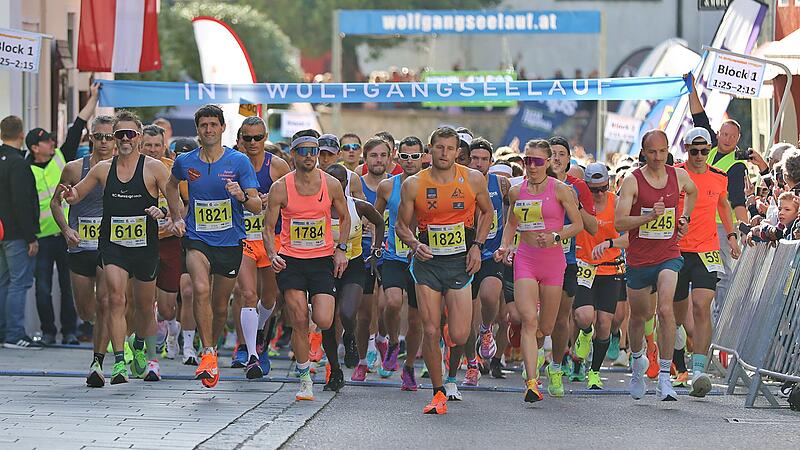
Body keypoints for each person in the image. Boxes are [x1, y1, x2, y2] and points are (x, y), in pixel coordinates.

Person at [59, 110, 185, 385]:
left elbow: (175, 203)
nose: (125, 138)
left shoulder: (153, 168)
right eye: (120, 134)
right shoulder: (103, 169)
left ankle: (143, 349)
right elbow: (77, 192)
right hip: (113, 245)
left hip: (145, 247)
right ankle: (119, 363)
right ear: (115, 138)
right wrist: (69, 194)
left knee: (143, 305)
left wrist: (169, 216)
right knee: (115, 299)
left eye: (130, 134)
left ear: (139, 137)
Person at [396, 126, 493, 415]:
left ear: (457, 152)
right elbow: (401, 225)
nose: (444, 153)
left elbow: (487, 212)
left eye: (450, 149)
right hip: (427, 261)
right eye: (439, 147)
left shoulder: (472, 179)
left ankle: (451, 374)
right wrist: (414, 244)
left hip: (460, 260)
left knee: (460, 334)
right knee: (429, 327)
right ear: (431, 148)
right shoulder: (414, 184)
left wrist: (477, 246)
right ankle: (438, 392)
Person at [167, 105, 261, 388]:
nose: (208, 129)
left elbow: (256, 205)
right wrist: (176, 216)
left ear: (222, 128)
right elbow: (171, 186)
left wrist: (241, 195)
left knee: (221, 306)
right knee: (200, 289)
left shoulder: (239, 162)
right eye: (204, 125)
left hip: (230, 241)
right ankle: (207, 352)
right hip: (197, 238)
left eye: (213, 124)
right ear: (197, 129)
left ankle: (212, 346)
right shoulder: (185, 161)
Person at [263, 129, 351, 401]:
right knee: (299, 319)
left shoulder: (331, 184)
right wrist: (272, 253)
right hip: (291, 261)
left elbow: (345, 218)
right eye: (304, 151)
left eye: (314, 151)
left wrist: (342, 249)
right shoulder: (281, 187)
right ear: (293, 154)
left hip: (321, 260)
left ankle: (313, 308)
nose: (311, 156)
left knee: (323, 319)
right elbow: (267, 227)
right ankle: (304, 378)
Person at [495, 139, 583, 403]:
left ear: (547, 163)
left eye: (536, 161)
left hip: (553, 263)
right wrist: (504, 246)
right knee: (528, 321)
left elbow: (577, 224)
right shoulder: (516, 191)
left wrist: (556, 236)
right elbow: (511, 222)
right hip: (526, 260)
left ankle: (536, 349)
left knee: (545, 326)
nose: (531, 166)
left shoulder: (561, 190)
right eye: (526, 161)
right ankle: (532, 383)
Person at [615, 129, 697, 401]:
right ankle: (638, 363)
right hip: (639, 258)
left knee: (665, 309)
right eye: (652, 152)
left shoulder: (678, 175)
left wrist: (684, 219)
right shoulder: (632, 181)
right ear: (643, 152)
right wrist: (648, 216)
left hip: (668, 254)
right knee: (639, 317)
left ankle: (664, 376)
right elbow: (619, 223)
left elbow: (693, 191)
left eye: (662, 151)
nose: (658, 157)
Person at [28, 83, 101, 345]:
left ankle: (70, 331)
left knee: (69, 286)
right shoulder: (26, 170)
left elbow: (78, 125)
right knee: (43, 287)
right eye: (46, 140)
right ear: (36, 147)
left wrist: (93, 97)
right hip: (42, 237)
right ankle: (49, 332)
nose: (52, 142)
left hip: (69, 234)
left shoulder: (62, 158)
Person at [673, 127, 741, 397]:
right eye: (694, 150)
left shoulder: (718, 176)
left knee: (702, 306)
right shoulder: (676, 174)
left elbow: (724, 205)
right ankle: (678, 363)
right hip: (677, 250)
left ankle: (699, 370)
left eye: (704, 150)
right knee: (676, 315)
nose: (700, 155)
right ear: (686, 149)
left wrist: (732, 236)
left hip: (707, 249)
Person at [688, 74, 766, 306]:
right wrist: (691, 88)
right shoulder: (707, 148)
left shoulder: (737, 164)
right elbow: (698, 117)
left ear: (738, 138)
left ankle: (719, 318)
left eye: (733, 136)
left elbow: (737, 199)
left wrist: (741, 228)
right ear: (718, 134)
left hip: (721, 226)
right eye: (724, 134)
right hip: (696, 221)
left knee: (722, 273)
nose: (728, 138)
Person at [51, 114, 115, 385]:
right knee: (86, 310)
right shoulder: (75, 169)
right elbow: (55, 203)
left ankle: (97, 363)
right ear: (91, 137)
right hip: (80, 245)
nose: (103, 141)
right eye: (98, 136)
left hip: (109, 246)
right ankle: (98, 333)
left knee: (104, 302)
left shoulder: (124, 170)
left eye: (108, 136)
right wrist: (66, 230)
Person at [231, 116, 290, 378]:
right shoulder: (231, 165)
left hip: (270, 239)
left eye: (258, 137)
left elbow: (293, 199)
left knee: (270, 299)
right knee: (248, 294)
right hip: (243, 238)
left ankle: (259, 337)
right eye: (247, 138)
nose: (252, 143)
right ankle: (250, 352)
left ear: (265, 137)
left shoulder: (277, 166)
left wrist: (273, 201)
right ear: (239, 139)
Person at [321, 163, 384, 392]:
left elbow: (379, 221)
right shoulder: (315, 208)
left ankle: (349, 336)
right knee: (326, 323)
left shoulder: (358, 206)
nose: (334, 186)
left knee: (347, 313)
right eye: (329, 181)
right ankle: (335, 371)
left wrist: (376, 251)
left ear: (346, 185)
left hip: (354, 264)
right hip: (323, 267)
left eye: (339, 182)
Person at [545, 136, 597, 393]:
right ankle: (532, 369)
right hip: (536, 258)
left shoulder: (578, 187)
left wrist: (577, 207)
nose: (556, 158)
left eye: (561, 154)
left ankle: (555, 367)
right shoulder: (533, 184)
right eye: (551, 153)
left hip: (566, 259)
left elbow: (593, 227)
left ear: (568, 159)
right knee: (532, 315)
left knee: (560, 318)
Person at [374, 136, 426, 391]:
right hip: (394, 255)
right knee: (393, 302)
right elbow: (376, 217)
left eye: (414, 156)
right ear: (397, 157)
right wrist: (375, 245)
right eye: (404, 156)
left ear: (423, 157)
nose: (409, 161)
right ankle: (394, 342)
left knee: (417, 320)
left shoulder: (432, 184)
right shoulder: (387, 186)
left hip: (423, 259)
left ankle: (408, 369)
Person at [573, 163, 629, 390]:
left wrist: (610, 243)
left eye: (602, 188)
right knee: (584, 317)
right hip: (584, 267)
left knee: (605, 323)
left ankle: (594, 372)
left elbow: (630, 239)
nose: (597, 194)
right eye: (592, 189)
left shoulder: (616, 203)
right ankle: (585, 334)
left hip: (610, 268)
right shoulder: (578, 204)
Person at [140, 124, 187, 361]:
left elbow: (187, 203)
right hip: (140, 240)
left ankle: (171, 329)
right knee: (145, 298)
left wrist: (175, 219)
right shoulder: (130, 168)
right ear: (140, 145)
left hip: (168, 241)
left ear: (164, 146)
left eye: (157, 145)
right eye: (148, 145)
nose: (153, 150)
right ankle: (146, 347)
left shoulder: (173, 169)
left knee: (167, 306)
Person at [0, 115, 41, 349]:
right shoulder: (18, 163)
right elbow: (22, 203)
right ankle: (14, 334)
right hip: (15, 233)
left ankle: (3, 331)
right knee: (18, 282)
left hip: (1, 231)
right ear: (22, 135)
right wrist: (31, 237)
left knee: (3, 282)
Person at [358, 137, 392, 378]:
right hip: (362, 251)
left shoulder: (398, 186)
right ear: (365, 158)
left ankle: (382, 337)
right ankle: (369, 348)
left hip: (391, 252)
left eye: (383, 155)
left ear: (390, 159)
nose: (378, 160)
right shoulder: (356, 185)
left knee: (386, 304)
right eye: (373, 156)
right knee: (366, 308)